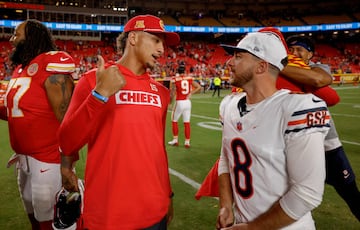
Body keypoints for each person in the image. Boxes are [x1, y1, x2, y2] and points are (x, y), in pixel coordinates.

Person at [58, 14, 180, 229]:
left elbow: (158, 151)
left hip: (155, 211)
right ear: (133, 38)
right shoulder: (93, 80)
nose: (162, 50)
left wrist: (168, 195)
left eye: (164, 43)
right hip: (108, 214)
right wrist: (100, 94)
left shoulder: (160, 92)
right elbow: (67, 142)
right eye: (156, 40)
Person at [216, 32, 330, 229]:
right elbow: (226, 158)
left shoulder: (296, 108)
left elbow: (307, 193)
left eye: (238, 56)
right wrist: (226, 205)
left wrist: (251, 228)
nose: (229, 63)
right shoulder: (229, 105)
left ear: (262, 66)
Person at [0, 19, 75, 230]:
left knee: (50, 220)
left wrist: (67, 165)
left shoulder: (51, 66)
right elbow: (17, 112)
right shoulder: (21, 68)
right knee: (32, 212)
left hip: (47, 160)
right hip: (24, 159)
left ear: (32, 38)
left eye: (16, 34)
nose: (11, 39)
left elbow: (69, 121)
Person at [282, 34, 360, 221]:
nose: (294, 53)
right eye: (290, 50)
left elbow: (317, 81)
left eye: (299, 50)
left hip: (326, 143)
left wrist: (279, 66)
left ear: (310, 54)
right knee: (292, 194)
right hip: (292, 143)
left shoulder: (318, 69)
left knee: (349, 191)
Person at [168, 65, 201, 148]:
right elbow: (199, 87)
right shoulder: (189, 78)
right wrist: (191, 93)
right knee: (187, 122)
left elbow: (172, 93)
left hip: (179, 101)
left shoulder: (175, 79)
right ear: (185, 71)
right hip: (187, 102)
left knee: (174, 120)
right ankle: (187, 142)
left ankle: (175, 140)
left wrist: (170, 103)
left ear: (177, 71)